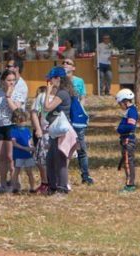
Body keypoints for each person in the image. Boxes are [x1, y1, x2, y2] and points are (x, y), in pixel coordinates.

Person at [40, 67, 74, 194]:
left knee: (60, 160)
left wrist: (48, 92)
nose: (49, 82)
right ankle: (53, 187)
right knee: (50, 159)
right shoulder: (62, 92)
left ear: (58, 79)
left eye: (51, 79)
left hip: (61, 131)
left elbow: (47, 107)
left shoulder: (62, 93)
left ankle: (62, 188)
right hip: (55, 130)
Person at [60, 57, 93, 185]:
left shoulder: (79, 81)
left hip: (76, 118)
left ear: (73, 68)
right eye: (63, 63)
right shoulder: (59, 81)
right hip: (64, 118)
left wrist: (80, 111)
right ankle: (62, 176)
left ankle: (85, 175)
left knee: (81, 148)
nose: (65, 64)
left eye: (68, 63)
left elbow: (83, 97)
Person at [0, 70, 25, 192]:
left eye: (13, 80)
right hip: (0, 126)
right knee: (2, 157)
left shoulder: (17, 93)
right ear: (2, 81)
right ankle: (3, 183)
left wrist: (9, 96)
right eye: (8, 80)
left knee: (11, 157)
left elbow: (16, 110)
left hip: (12, 125)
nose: (11, 83)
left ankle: (15, 182)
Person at [115, 88, 138, 192]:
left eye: (120, 103)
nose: (120, 105)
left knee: (128, 163)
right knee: (127, 162)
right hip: (125, 139)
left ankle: (130, 185)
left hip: (128, 140)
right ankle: (129, 183)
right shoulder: (129, 111)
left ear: (125, 101)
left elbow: (130, 126)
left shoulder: (132, 111)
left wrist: (119, 129)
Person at [9, 108, 37, 192]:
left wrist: (31, 147)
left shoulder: (27, 130)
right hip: (18, 155)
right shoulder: (13, 130)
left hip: (27, 154)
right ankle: (14, 187)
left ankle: (32, 188)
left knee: (29, 171)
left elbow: (29, 141)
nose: (23, 122)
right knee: (16, 171)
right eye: (21, 120)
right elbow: (14, 143)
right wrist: (25, 148)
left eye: (24, 120)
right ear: (16, 120)